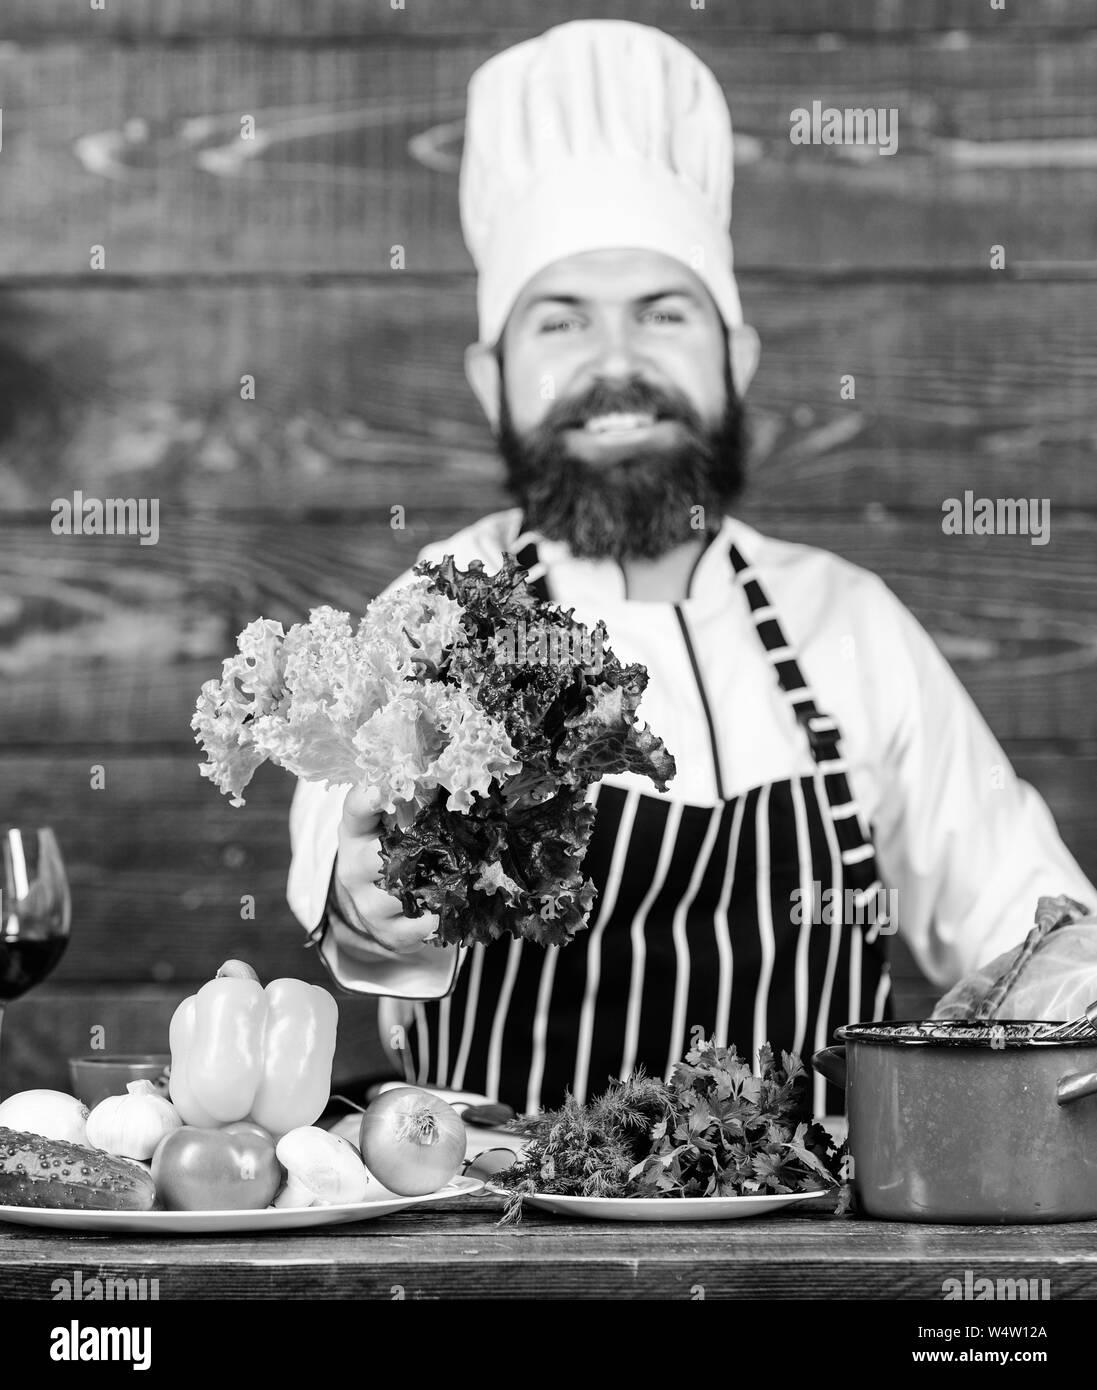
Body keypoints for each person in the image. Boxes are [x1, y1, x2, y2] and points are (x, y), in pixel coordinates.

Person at [287, 19, 1097, 1117]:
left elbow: (1037, 930)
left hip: (810, 1260)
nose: (614, 366)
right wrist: (371, 897)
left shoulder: (847, 624)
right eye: (561, 323)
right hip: (491, 1247)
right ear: (492, 380)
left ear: (736, 358)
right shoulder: (434, 612)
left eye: (661, 315)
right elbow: (359, 891)